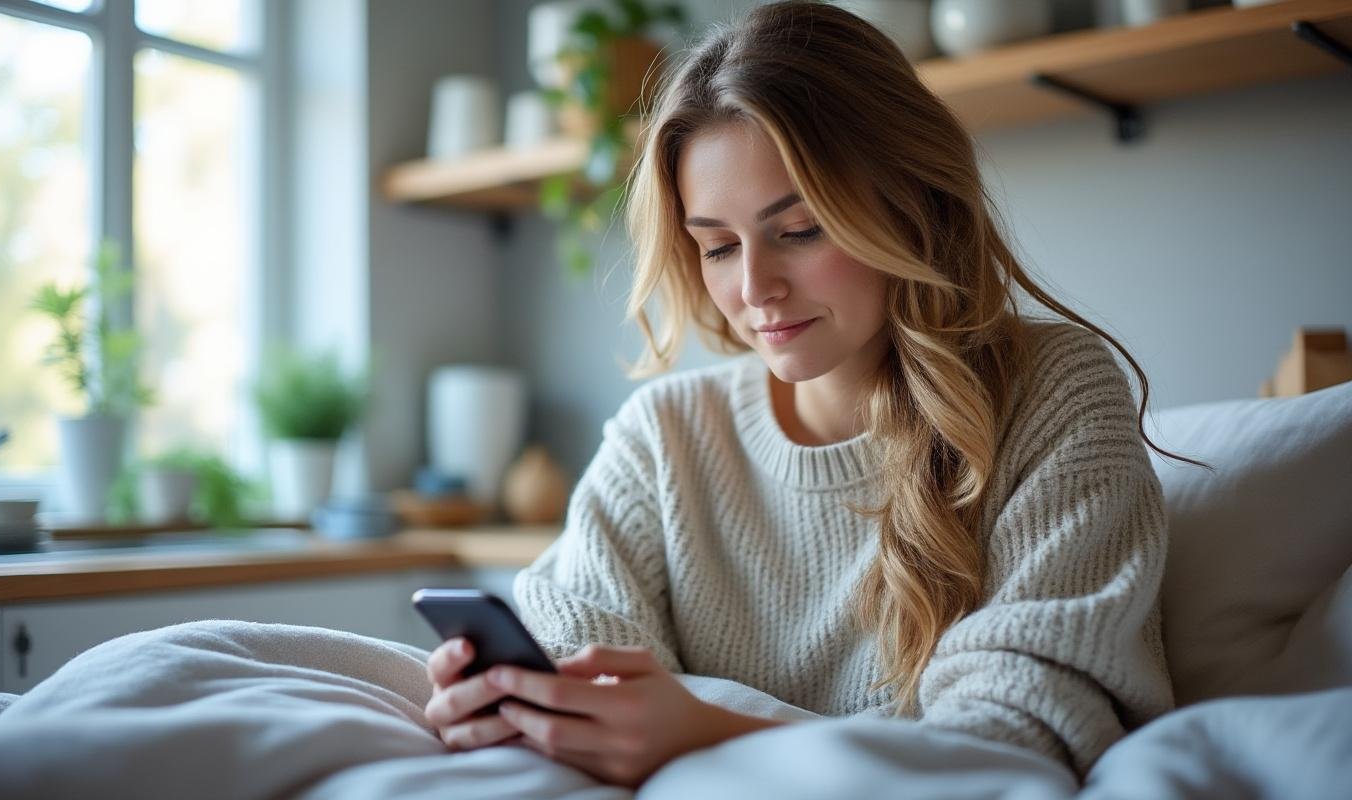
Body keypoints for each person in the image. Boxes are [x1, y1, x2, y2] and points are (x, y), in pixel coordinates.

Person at [421, 0, 1204, 789]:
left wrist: (706, 732)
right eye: (719, 247)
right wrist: (514, 702)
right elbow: (575, 640)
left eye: (799, 231)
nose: (754, 287)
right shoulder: (662, 436)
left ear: (913, 204)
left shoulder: (1054, 393)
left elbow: (1026, 731)